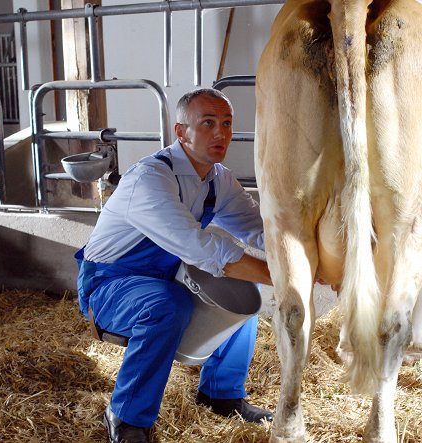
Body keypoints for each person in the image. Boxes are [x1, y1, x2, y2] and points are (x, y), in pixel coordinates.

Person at [75, 88, 273, 443]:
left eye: (227, 123)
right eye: (208, 123)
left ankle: (221, 393)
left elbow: (258, 230)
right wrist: (285, 277)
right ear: (181, 133)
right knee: (167, 303)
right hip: (111, 286)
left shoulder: (219, 179)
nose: (221, 133)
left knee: (246, 293)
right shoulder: (150, 178)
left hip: (168, 276)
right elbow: (200, 248)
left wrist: (310, 258)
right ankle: (127, 418)